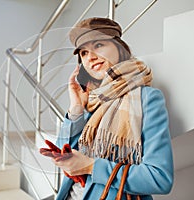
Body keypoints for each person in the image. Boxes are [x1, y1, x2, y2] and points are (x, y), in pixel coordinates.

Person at [53, 17, 173, 200]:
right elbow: (65, 155)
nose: (91, 57)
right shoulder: (92, 99)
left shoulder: (147, 99)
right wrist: (76, 108)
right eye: (84, 53)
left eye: (98, 45)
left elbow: (159, 178)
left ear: (119, 47)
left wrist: (91, 167)